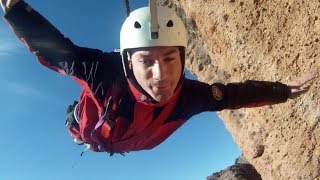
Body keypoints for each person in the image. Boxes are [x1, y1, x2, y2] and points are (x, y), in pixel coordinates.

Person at [1, 0, 314, 155]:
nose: (161, 76)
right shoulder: (103, 72)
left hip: (131, 139)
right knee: (80, 128)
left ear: (182, 58)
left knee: (95, 139)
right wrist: (15, 10)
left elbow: (234, 95)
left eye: (169, 58)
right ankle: (77, 125)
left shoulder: (190, 96)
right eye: (146, 61)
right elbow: (59, 51)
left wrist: (282, 90)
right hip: (99, 130)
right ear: (127, 62)